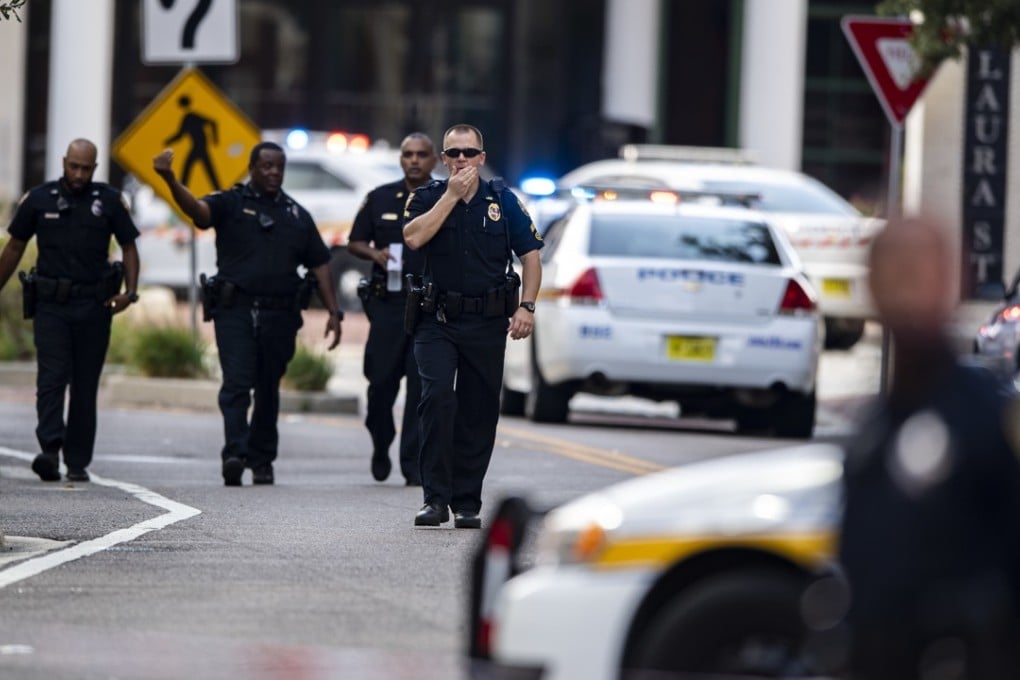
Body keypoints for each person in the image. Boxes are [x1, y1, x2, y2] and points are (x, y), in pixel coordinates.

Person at [837, 216, 1020, 679]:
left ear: (952, 285)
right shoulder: (873, 430)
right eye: (894, 273)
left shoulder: (986, 420)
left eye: (921, 274)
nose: (906, 293)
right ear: (872, 288)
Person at [153, 141, 342, 487]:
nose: (273, 173)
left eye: (279, 167)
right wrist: (169, 180)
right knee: (237, 384)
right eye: (266, 166)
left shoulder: (297, 215)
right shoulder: (230, 202)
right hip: (235, 309)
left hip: (280, 315)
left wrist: (334, 311)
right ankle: (234, 454)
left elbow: (320, 264)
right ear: (252, 168)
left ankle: (262, 459)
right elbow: (198, 212)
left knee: (268, 388)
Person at [403, 124, 543, 528]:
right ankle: (434, 499)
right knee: (437, 399)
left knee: (478, 410)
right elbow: (413, 239)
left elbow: (531, 256)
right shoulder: (428, 197)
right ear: (444, 159)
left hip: (486, 322)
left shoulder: (503, 201)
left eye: (469, 152)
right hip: (437, 320)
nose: (461, 159)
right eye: (453, 153)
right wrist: (449, 196)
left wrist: (527, 307)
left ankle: (467, 502)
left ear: (482, 157)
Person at [0, 138, 140, 483]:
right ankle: (49, 450)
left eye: (86, 168)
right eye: (73, 166)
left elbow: (128, 247)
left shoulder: (108, 201)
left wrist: (130, 293)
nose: (78, 174)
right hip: (51, 305)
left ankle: (77, 460)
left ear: (94, 168)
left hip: (94, 305)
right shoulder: (39, 199)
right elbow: (16, 245)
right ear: (64, 163)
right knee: (51, 378)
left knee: (84, 384)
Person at [348, 133, 437, 486]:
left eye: (421, 155)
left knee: (420, 389)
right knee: (380, 385)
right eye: (408, 155)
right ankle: (381, 443)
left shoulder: (445, 198)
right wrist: (375, 254)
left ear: (434, 160)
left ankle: (412, 464)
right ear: (400, 159)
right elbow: (354, 241)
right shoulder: (380, 197)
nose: (414, 161)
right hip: (388, 305)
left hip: (428, 307)